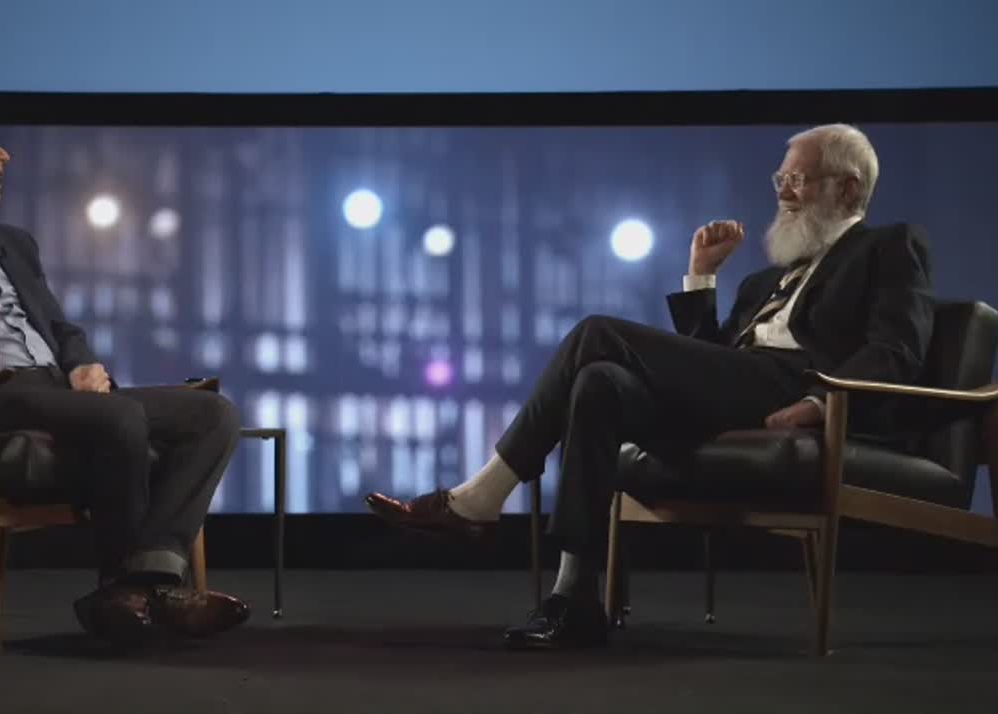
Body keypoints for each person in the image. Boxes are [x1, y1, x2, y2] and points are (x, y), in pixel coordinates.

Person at [366, 123, 935, 650]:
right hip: (741, 392)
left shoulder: (888, 247)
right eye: (779, 179)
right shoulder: (765, 280)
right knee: (598, 383)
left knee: (597, 331)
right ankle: (573, 600)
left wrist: (818, 402)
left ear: (847, 186)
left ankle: (481, 498)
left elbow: (897, 350)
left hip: (794, 386)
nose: (784, 192)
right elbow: (708, 360)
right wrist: (701, 273)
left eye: (798, 179)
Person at [0, 98, 248, 643]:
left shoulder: (11, 242)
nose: (2, 154)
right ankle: (137, 593)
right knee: (119, 418)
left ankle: (145, 581)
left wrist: (81, 363)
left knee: (213, 414)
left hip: (56, 392)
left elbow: (60, 329)